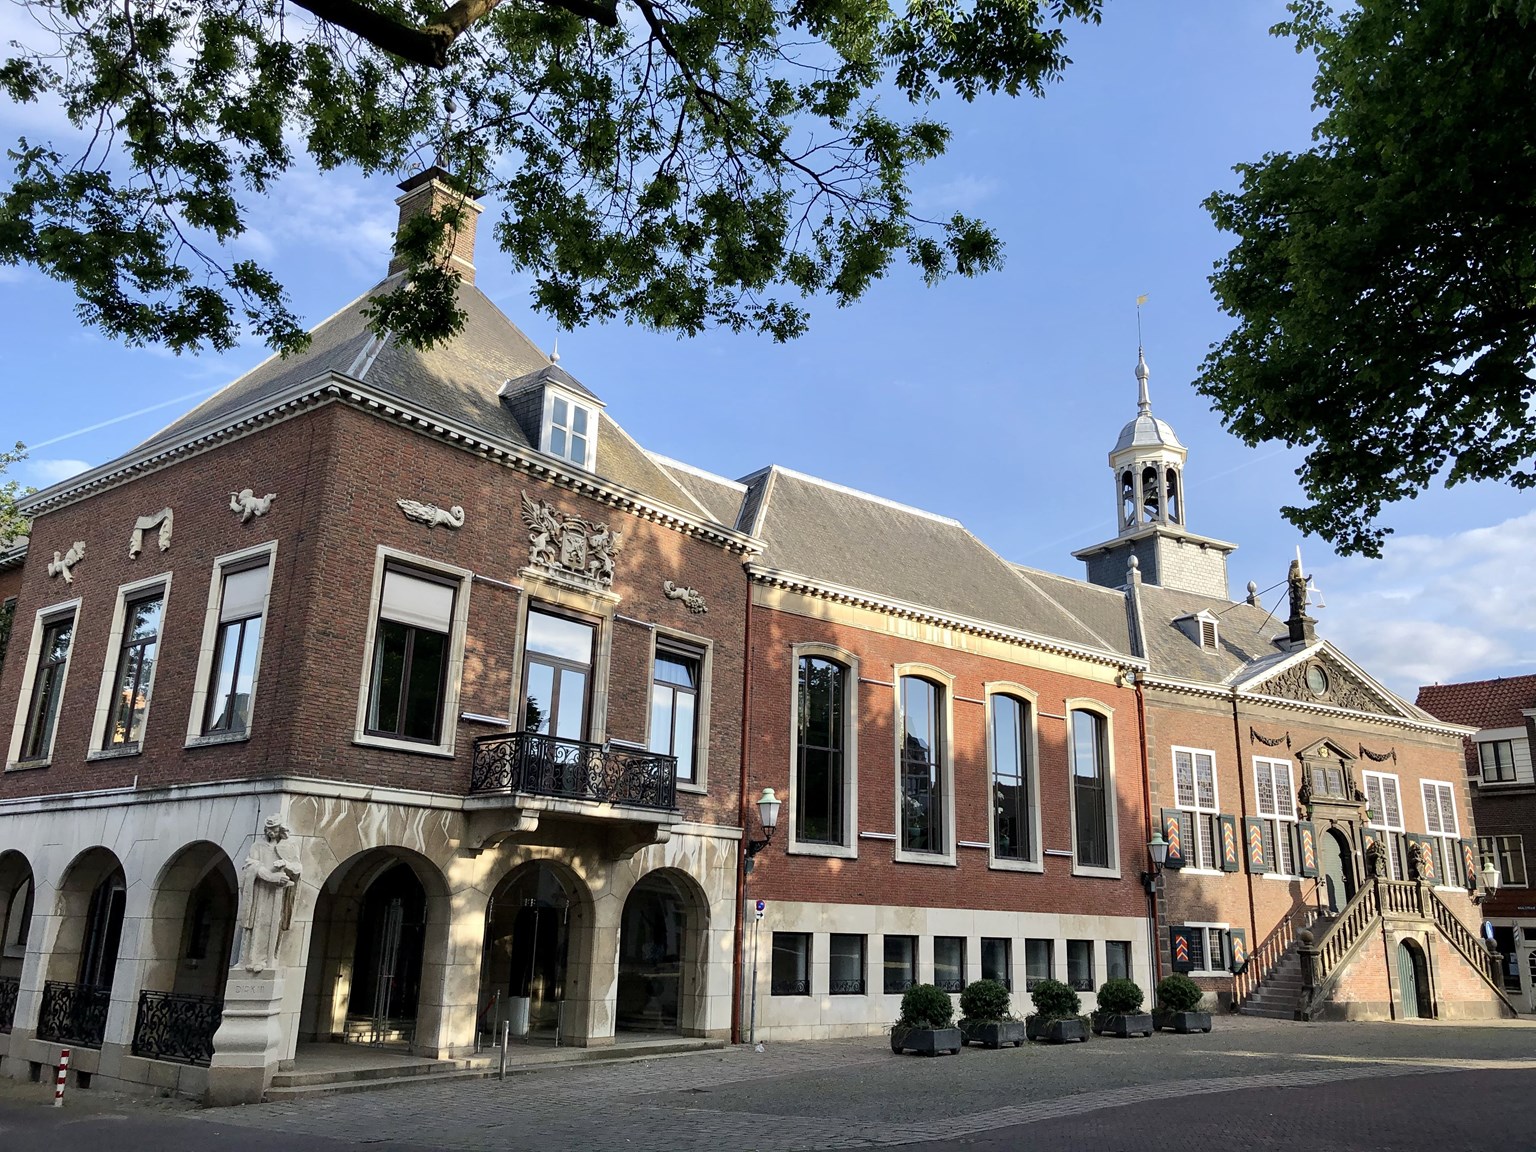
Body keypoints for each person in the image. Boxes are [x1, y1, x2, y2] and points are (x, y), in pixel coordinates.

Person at [239, 817, 301, 972]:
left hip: (277, 894)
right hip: (259, 891)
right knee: (257, 922)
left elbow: (297, 868)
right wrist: (269, 876)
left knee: (272, 923)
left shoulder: (289, 846)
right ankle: (251, 959)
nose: (270, 832)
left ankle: (266, 959)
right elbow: (249, 865)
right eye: (268, 829)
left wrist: (286, 865)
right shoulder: (258, 845)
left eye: (274, 829)